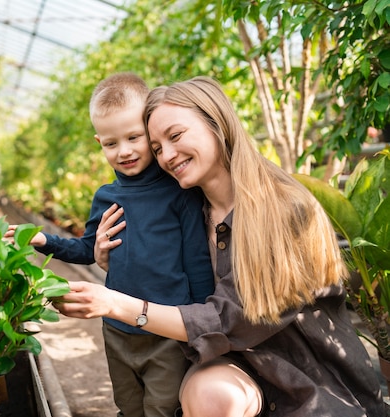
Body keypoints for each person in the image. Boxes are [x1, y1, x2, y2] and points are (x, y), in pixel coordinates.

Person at [53, 76, 385, 417]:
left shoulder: (284, 210)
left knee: (216, 396)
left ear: (217, 124)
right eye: (156, 147)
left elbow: (229, 319)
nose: (167, 155)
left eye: (176, 136)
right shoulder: (186, 203)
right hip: (228, 362)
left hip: (300, 379)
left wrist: (115, 304)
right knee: (205, 394)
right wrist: (111, 257)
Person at [5, 72, 215, 417]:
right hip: (117, 330)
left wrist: (199, 333)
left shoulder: (178, 193)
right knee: (129, 406)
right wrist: (43, 240)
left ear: (150, 131)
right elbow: (89, 249)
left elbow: (197, 263)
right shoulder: (107, 196)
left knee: (162, 407)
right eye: (111, 143)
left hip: (167, 333)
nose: (125, 151)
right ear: (98, 141)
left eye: (134, 137)